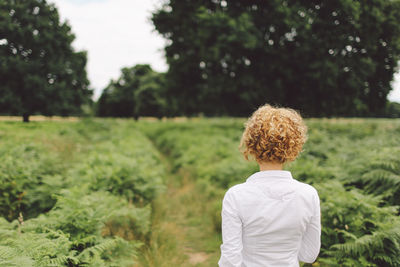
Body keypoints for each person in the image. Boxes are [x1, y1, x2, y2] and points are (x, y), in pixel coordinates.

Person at [218, 104, 321, 267]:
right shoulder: (309, 194)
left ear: (251, 145)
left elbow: (230, 261)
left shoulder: (236, 196)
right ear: (293, 147)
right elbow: (309, 255)